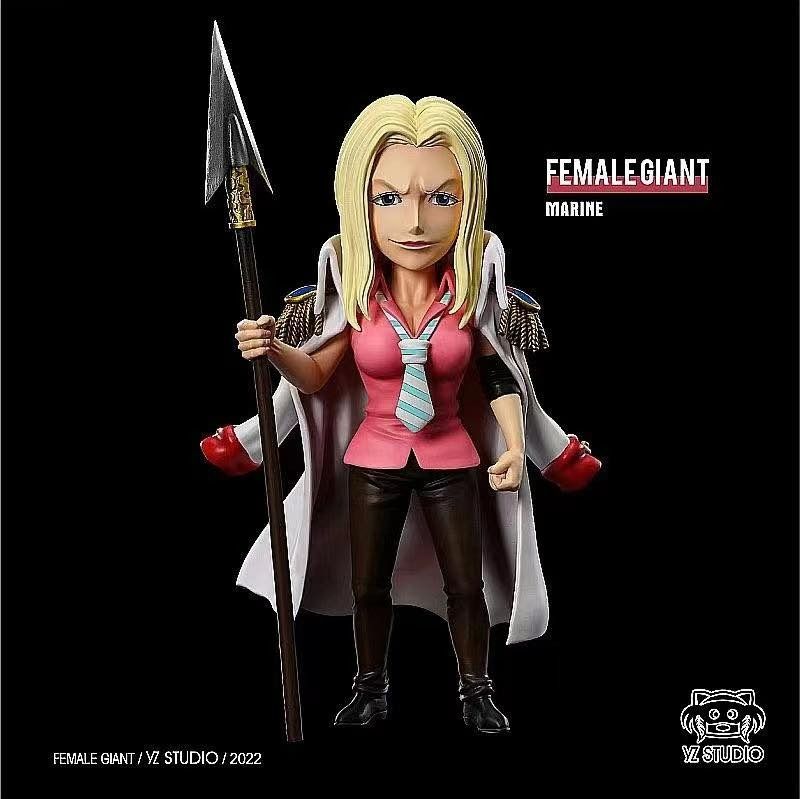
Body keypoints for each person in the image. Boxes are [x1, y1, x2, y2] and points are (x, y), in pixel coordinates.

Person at [201, 95, 601, 733]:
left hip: (450, 457)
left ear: (468, 205)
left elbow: (498, 374)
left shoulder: (468, 300)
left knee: (465, 585)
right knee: (368, 585)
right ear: (360, 203)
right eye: (388, 198)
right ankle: (370, 690)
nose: (414, 222)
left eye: (440, 198)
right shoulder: (356, 300)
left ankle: (477, 692)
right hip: (375, 458)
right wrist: (272, 348)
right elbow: (315, 375)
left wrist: (511, 443)